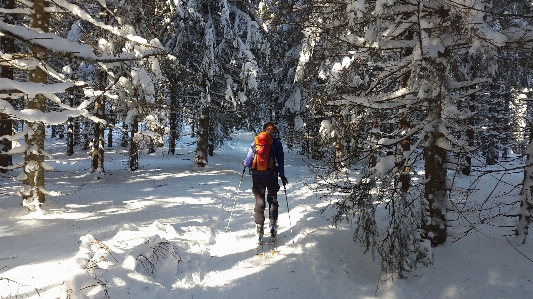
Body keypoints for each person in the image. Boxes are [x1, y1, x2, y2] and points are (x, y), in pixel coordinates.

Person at [243, 122, 288, 244]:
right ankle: (273, 225)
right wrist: (282, 175)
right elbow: (281, 161)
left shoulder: (256, 141)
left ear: (263, 130)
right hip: (271, 176)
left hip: (257, 176)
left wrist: (245, 164)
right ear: (273, 131)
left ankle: (259, 228)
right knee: (273, 199)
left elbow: (249, 159)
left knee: (259, 201)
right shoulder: (276, 143)